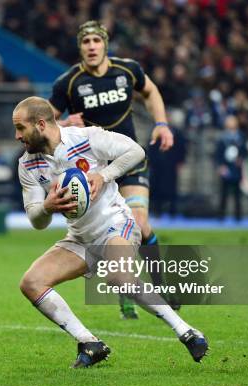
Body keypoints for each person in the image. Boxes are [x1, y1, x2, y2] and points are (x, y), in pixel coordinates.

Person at [13, 96, 208, 367]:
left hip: (116, 224)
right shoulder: (27, 164)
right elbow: (37, 220)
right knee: (31, 283)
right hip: (80, 238)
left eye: (21, 128)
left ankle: (187, 332)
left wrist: (104, 175)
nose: (16, 135)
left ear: (41, 124)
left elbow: (136, 152)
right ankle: (89, 343)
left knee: (118, 277)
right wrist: (47, 206)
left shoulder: (86, 138)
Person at [49, 21, 176, 318]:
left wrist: (161, 124)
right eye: (86, 41)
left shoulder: (128, 70)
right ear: (79, 47)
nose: (91, 46)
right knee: (109, 232)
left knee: (140, 224)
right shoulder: (68, 83)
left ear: (105, 44)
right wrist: (65, 123)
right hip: (92, 169)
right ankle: (126, 293)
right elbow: (45, 123)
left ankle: (162, 287)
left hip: (127, 160)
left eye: (96, 40)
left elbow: (151, 91)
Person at [215, 115, 247, 221]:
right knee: (224, 193)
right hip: (226, 168)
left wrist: (241, 159)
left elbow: (245, 151)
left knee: (237, 194)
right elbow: (218, 153)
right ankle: (221, 216)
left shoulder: (241, 137)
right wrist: (220, 166)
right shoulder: (222, 138)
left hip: (237, 168)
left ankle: (238, 217)